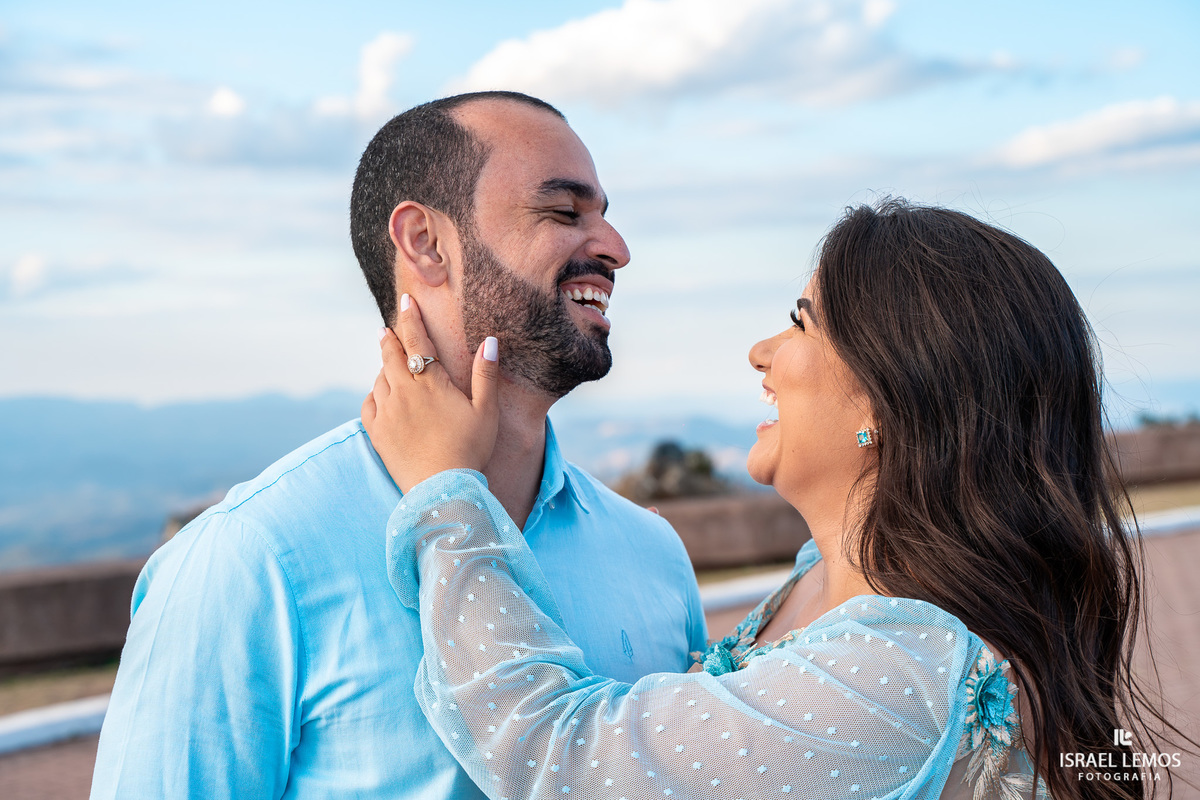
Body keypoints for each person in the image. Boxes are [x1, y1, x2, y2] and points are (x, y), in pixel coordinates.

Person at [365, 199, 1178, 800]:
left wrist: (446, 493)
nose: (762, 351)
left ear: (883, 403)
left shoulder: (901, 672)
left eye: (801, 322)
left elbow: (563, 755)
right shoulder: (826, 582)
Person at [90, 92, 706, 799]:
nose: (615, 248)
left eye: (604, 215)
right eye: (565, 213)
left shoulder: (652, 555)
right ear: (425, 244)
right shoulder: (249, 559)